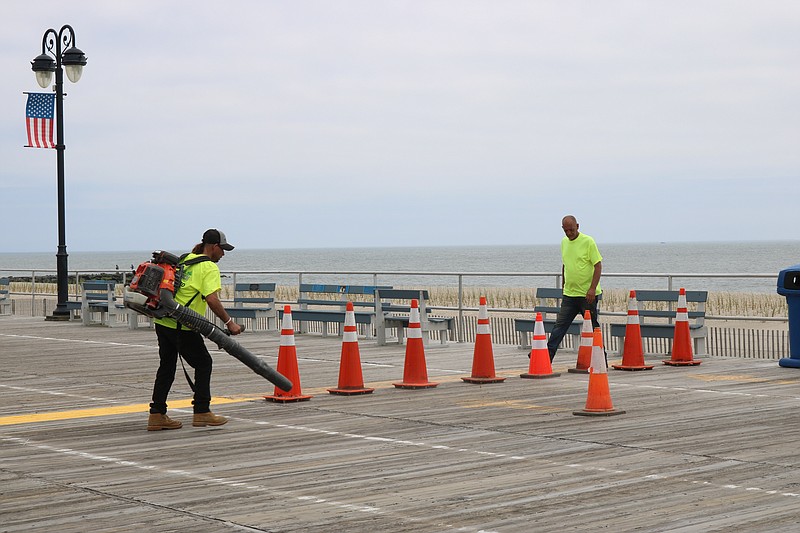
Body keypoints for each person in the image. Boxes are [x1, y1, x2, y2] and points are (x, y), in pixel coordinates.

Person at [147, 228, 243, 431]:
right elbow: (212, 299)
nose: (223, 254)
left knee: (167, 367)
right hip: (182, 325)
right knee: (204, 363)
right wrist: (229, 323)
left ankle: (156, 414)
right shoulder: (208, 267)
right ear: (214, 247)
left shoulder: (185, 259)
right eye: (222, 249)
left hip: (163, 321)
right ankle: (201, 411)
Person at [546, 215, 603, 362]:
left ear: (577, 226)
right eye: (566, 231)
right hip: (569, 295)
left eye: (571, 230)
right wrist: (564, 283)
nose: (569, 233)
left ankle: (602, 359)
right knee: (559, 327)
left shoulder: (588, 241)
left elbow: (598, 266)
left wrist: (592, 289)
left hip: (587, 296)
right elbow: (565, 264)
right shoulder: (564, 243)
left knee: (593, 328)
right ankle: (546, 357)